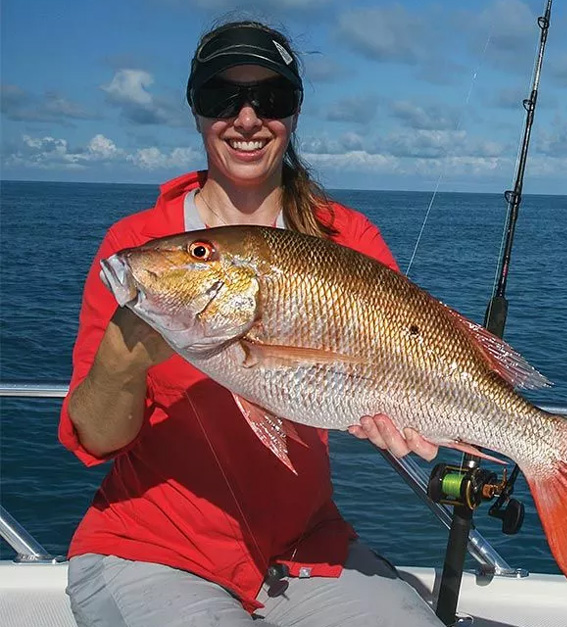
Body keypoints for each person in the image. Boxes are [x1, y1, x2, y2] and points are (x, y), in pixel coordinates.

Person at [59, 20, 447, 627]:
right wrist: (122, 358)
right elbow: (98, 438)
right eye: (221, 96)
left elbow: (398, 360)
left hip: (305, 551)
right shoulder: (137, 247)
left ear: (294, 113)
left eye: (270, 98)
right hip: (155, 548)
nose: (246, 118)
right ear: (194, 108)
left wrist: (399, 414)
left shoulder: (348, 239)